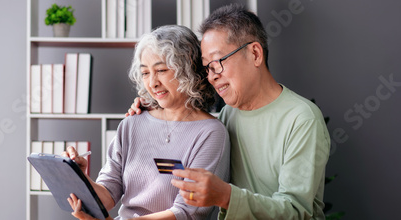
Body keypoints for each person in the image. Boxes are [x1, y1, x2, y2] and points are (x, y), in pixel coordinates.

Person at [127, 4, 330, 220]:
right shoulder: (225, 117)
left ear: (255, 53)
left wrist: (226, 196)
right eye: (206, 67)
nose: (211, 76)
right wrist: (157, 109)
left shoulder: (302, 118)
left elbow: (297, 212)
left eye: (217, 62)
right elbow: (187, 129)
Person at [65, 25, 230, 220]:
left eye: (160, 70)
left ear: (187, 70)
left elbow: (186, 213)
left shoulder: (210, 133)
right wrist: (80, 178)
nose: (152, 83)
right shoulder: (131, 124)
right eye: (145, 73)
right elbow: (107, 196)